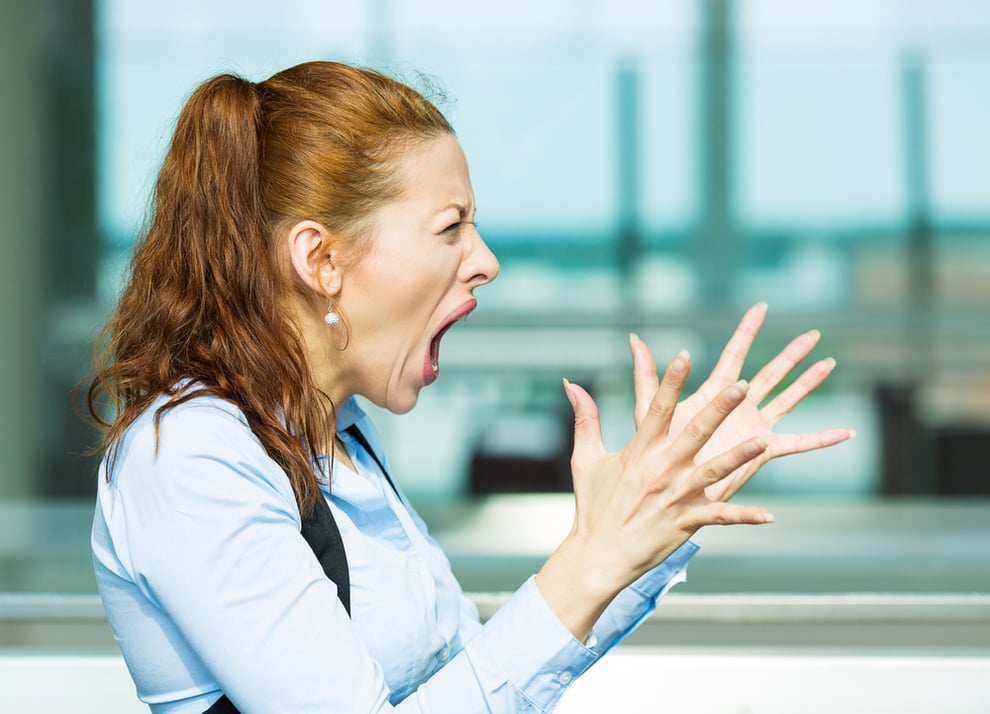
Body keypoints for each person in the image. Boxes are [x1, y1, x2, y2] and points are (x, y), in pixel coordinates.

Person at [88, 61, 851, 713]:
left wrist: (647, 522)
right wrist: (586, 562)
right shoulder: (191, 457)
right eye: (451, 227)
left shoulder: (342, 439)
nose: (485, 260)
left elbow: (471, 684)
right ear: (320, 260)